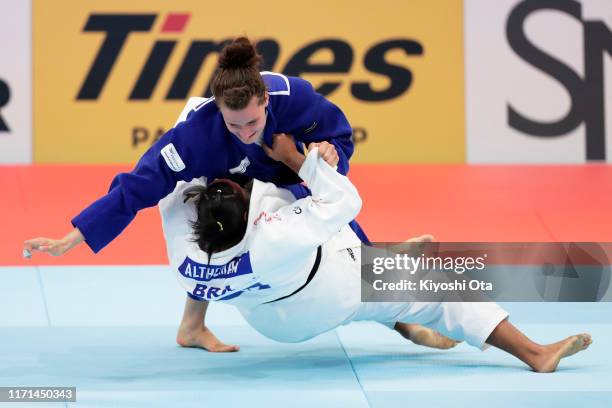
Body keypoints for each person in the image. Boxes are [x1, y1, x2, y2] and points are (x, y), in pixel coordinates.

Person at [23, 36, 452, 352]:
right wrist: (75, 235)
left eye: (253, 122)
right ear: (218, 110)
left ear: (265, 99)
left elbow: (339, 134)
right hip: (218, 179)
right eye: (234, 126)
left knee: (333, 217)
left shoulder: (295, 97)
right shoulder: (194, 137)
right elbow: (136, 188)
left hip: (279, 170)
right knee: (214, 225)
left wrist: (328, 154)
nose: (246, 133)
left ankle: (392, 299)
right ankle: (192, 326)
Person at [161, 132, 591, 373]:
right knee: (439, 291)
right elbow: (344, 202)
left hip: (268, 317)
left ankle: (191, 328)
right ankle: (536, 354)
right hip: (327, 288)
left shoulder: (187, 255)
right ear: (254, 217)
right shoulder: (276, 232)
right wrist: (300, 160)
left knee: (353, 270)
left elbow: (177, 186)